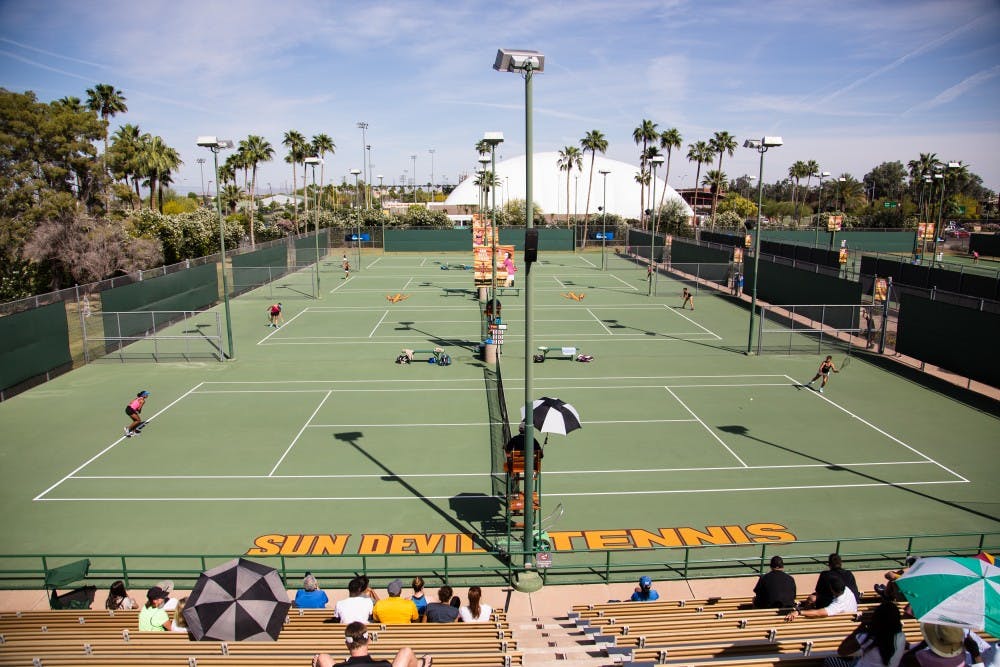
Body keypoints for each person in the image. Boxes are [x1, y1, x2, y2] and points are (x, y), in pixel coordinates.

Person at [823, 600, 906, 667]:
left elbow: (842, 651)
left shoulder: (869, 638)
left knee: (830, 660)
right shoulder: (901, 637)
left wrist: (858, 629)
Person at [311, 621, 432, 667]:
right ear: (368, 640)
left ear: (347, 644)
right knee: (406, 651)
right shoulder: (384, 665)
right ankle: (422, 664)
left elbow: (322, 659)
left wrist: (318, 663)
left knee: (322, 657)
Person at [900, 622, 985, 666]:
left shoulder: (923, 656)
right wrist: (975, 654)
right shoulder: (962, 656)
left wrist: (923, 644)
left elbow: (903, 659)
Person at [786, 576, 857, 621]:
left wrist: (799, 612)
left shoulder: (838, 604)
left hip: (840, 624)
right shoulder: (846, 590)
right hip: (849, 619)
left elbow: (818, 613)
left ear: (832, 590)